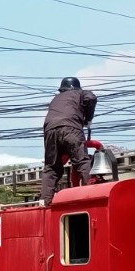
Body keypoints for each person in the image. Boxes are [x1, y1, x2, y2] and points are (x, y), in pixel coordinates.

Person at [40, 76, 98, 205]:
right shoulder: (80, 93)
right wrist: (88, 119)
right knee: (82, 161)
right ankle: (93, 194)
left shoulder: (56, 98)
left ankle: (44, 202)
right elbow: (91, 98)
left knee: (51, 168)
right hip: (70, 129)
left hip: (50, 131)